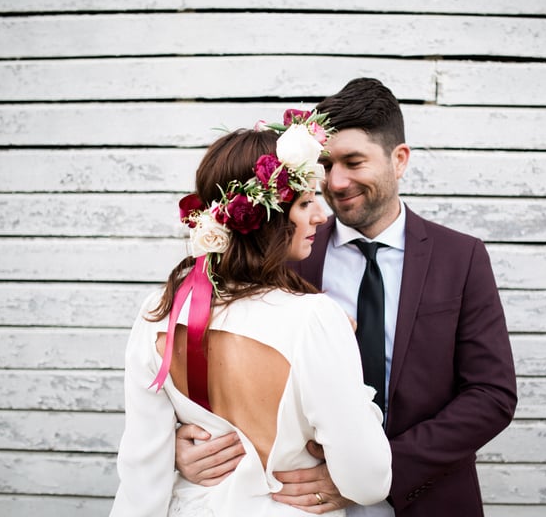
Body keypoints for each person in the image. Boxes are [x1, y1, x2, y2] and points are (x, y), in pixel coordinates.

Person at [174, 78, 518, 516]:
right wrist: (180, 443)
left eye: (354, 162)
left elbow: (491, 394)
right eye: (326, 165)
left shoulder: (461, 256)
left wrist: (381, 474)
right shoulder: (284, 253)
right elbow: (219, 360)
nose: (336, 183)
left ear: (400, 160)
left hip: (427, 494)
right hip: (295, 499)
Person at [110, 110, 392, 516]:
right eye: (307, 202)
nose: (321, 216)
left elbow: (140, 478)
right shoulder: (314, 319)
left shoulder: (159, 310)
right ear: (268, 216)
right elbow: (368, 481)